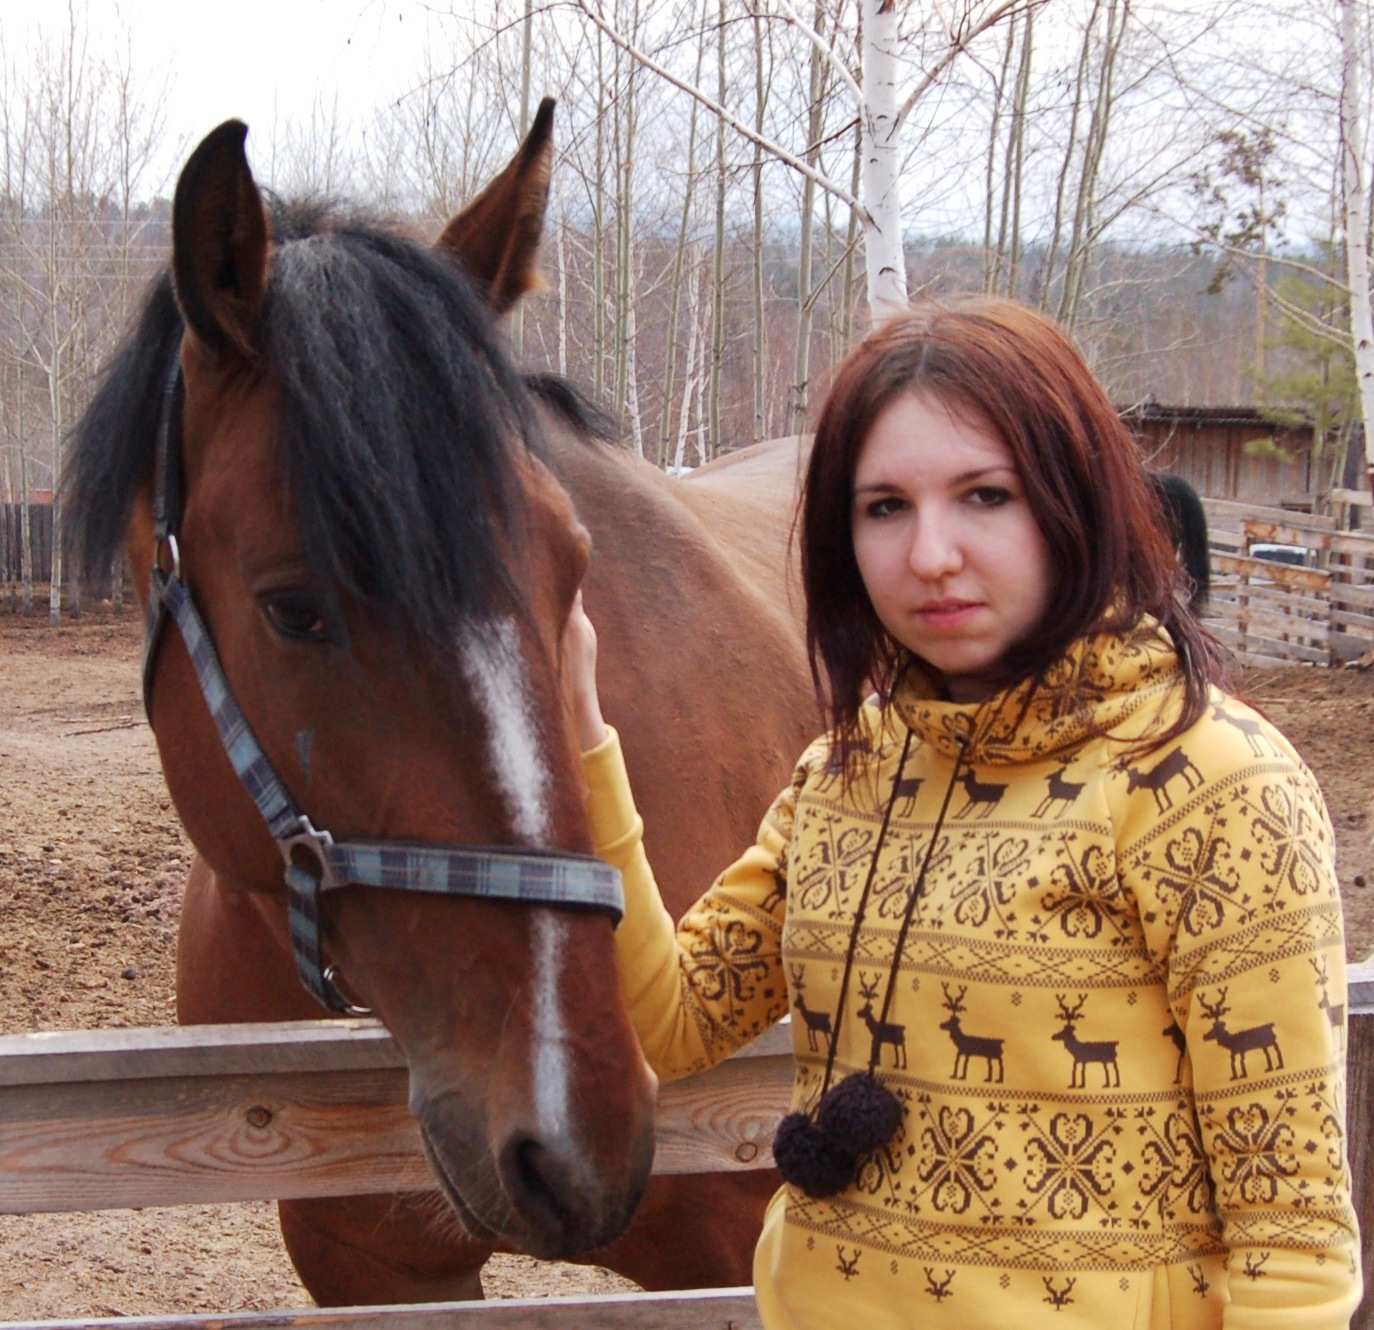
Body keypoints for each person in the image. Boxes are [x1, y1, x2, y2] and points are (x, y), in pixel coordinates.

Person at [563, 296, 1360, 1330]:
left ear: (1078, 500)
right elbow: (671, 1024)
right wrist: (584, 736)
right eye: (884, 507)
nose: (929, 554)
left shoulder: (1211, 783)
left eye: (985, 495)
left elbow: (1293, 1237)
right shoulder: (846, 771)